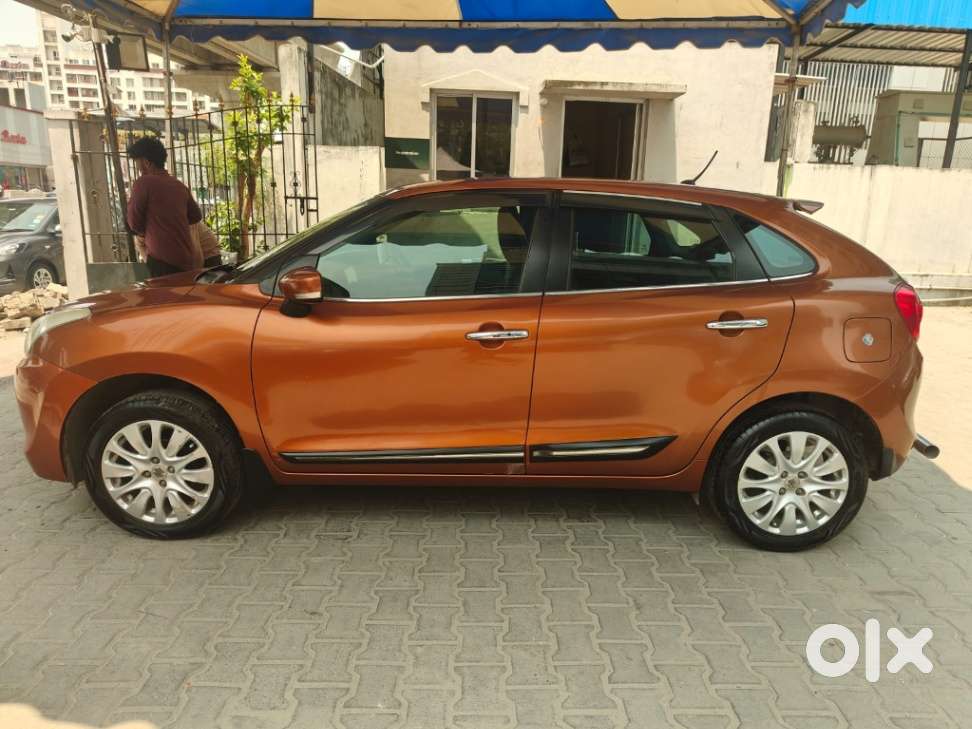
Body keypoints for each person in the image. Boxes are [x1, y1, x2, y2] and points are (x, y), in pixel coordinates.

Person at [126, 136, 203, 277]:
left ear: (146, 162)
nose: (137, 168)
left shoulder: (144, 183)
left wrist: (151, 230)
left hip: (161, 260)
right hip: (186, 259)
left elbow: (134, 224)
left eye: (137, 162)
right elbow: (196, 216)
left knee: (164, 298)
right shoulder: (178, 185)